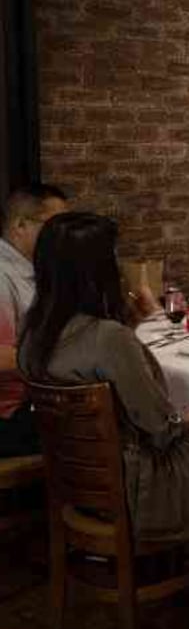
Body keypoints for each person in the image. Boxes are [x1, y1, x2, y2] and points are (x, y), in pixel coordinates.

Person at [19, 212, 189, 541]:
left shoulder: (34, 330)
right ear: (98, 271)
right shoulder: (109, 337)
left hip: (76, 479)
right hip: (138, 485)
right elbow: (160, 430)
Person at [0, 184, 68, 457]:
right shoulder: (2, 277)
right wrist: (63, 359)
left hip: (32, 403)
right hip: (10, 418)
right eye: (54, 226)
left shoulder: (31, 269)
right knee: (109, 427)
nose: (62, 235)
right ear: (20, 225)